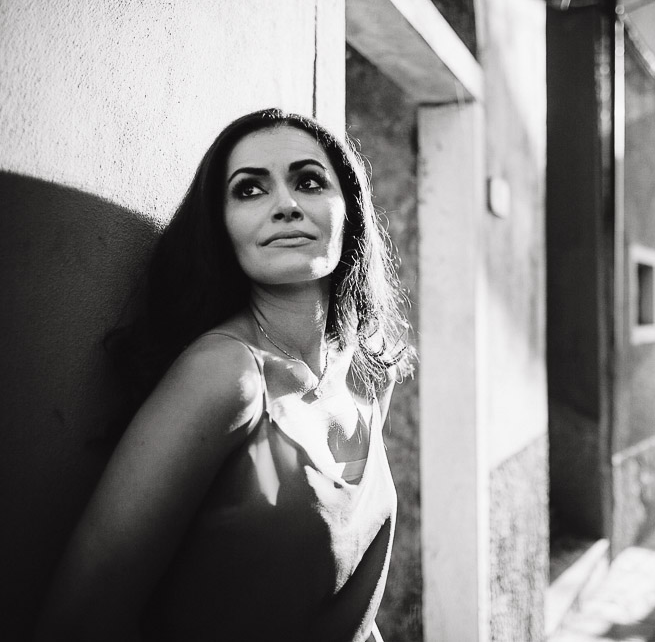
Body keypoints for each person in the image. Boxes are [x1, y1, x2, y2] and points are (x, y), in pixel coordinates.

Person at [37, 109, 411, 641]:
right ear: (221, 226)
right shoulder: (226, 375)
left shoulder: (370, 376)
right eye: (250, 190)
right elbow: (80, 616)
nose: (286, 205)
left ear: (348, 209)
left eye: (309, 181)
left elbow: (350, 603)